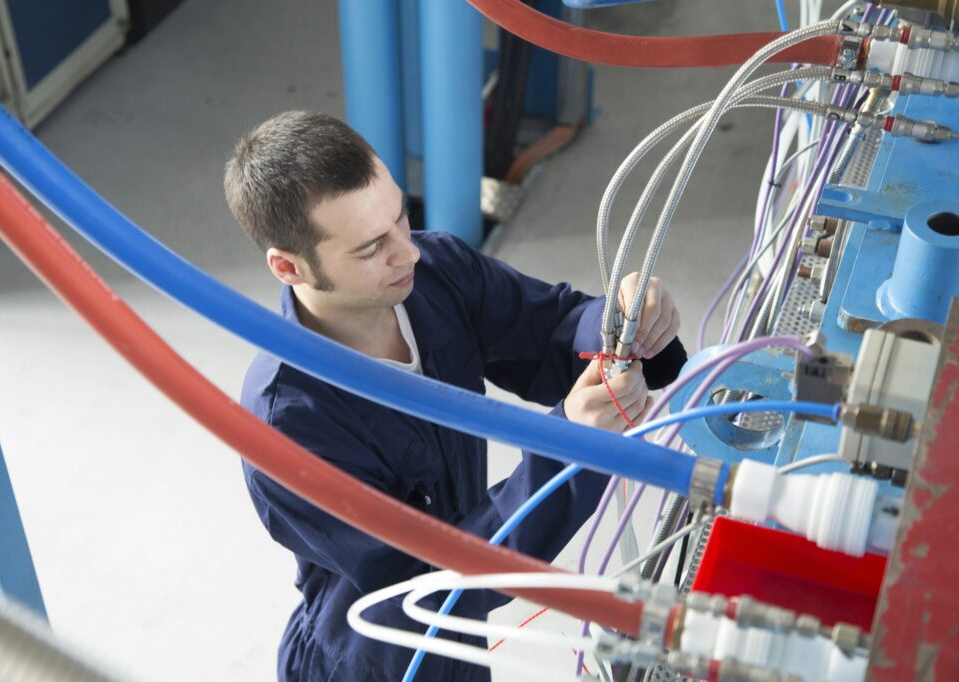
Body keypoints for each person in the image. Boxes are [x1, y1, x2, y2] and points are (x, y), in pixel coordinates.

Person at [224, 111, 686, 681]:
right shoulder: (287, 427)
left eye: (400, 217)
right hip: (382, 659)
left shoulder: (435, 271)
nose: (407, 252)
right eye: (371, 249)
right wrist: (568, 446)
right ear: (290, 267)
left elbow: (552, 330)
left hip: (462, 645)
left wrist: (621, 323)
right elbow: (430, 584)